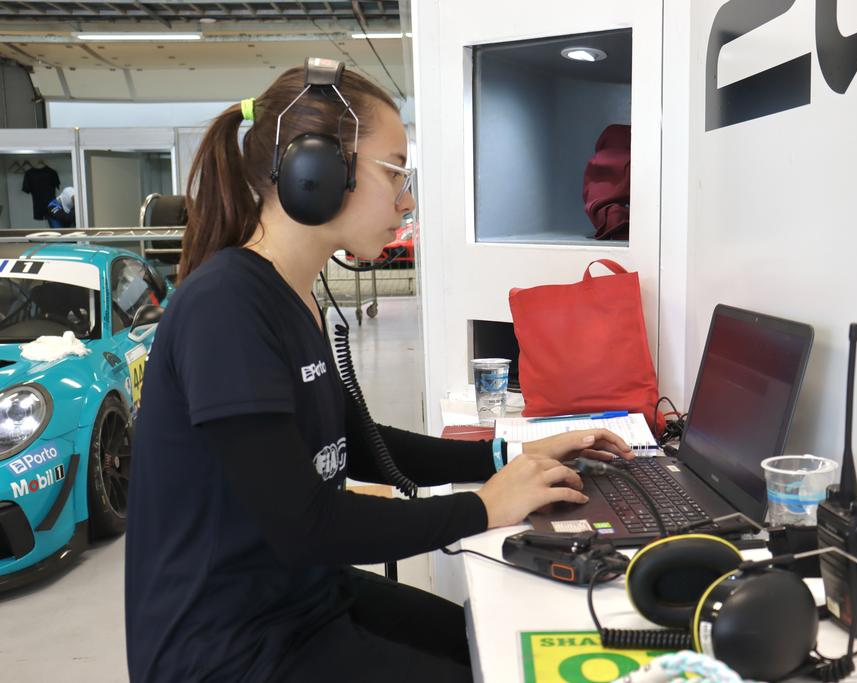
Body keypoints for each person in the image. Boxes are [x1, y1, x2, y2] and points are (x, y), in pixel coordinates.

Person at [124, 62, 635, 683]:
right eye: (394, 171)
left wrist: (506, 456)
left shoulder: (294, 296)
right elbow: (304, 524)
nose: (407, 198)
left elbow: (358, 445)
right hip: (228, 648)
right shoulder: (226, 307)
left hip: (301, 601)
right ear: (318, 172)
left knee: (487, 648)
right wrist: (483, 507)